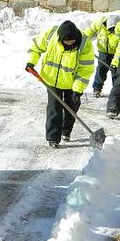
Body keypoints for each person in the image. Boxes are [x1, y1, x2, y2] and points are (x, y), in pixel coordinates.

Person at [26, 20, 95, 148]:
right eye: (66, 41)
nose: (69, 43)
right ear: (60, 38)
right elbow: (35, 47)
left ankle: (66, 131)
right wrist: (31, 62)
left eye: (72, 41)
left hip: (72, 82)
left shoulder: (85, 44)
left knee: (72, 106)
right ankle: (53, 138)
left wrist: (77, 89)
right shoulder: (51, 34)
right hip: (51, 78)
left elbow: (86, 69)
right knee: (54, 107)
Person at [84, 14, 120, 98]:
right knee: (101, 70)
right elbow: (88, 32)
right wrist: (82, 41)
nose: (112, 31)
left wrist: (115, 63)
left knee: (116, 71)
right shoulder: (99, 23)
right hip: (103, 51)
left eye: (113, 29)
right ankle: (97, 89)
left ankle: (117, 92)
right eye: (111, 29)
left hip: (116, 53)